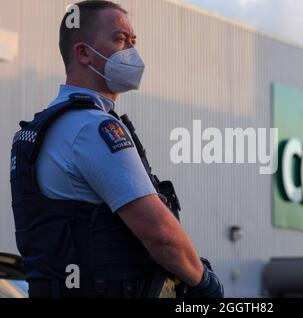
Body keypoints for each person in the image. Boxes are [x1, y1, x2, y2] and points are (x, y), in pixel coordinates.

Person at [9, 0, 223, 298]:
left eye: (133, 41)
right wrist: (205, 283)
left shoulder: (44, 129)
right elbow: (160, 235)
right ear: (83, 53)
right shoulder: (91, 127)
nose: (132, 52)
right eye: (120, 40)